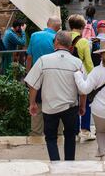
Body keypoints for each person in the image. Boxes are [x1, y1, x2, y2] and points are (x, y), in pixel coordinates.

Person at [25, 30, 86, 161]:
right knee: (70, 136)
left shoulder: (43, 61)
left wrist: (32, 103)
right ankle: (69, 164)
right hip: (71, 107)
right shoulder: (77, 63)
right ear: (70, 46)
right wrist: (82, 105)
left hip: (49, 107)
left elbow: (33, 84)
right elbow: (83, 89)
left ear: (56, 43)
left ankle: (56, 163)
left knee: (51, 137)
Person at [26, 17, 62, 136]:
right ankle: (58, 133)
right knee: (56, 105)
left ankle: (36, 133)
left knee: (37, 105)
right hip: (54, 77)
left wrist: (29, 74)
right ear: (58, 28)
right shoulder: (57, 39)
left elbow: (29, 57)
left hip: (37, 76)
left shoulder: (34, 35)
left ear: (47, 24)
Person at [68, 14, 95, 141]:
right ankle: (84, 130)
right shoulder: (83, 41)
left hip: (67, 72)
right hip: (81, 72)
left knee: (72, 102)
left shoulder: (64, 38)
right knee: (86, 101)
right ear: (83, 27)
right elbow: (88, 63)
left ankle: (73, 130)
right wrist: (93, 78)